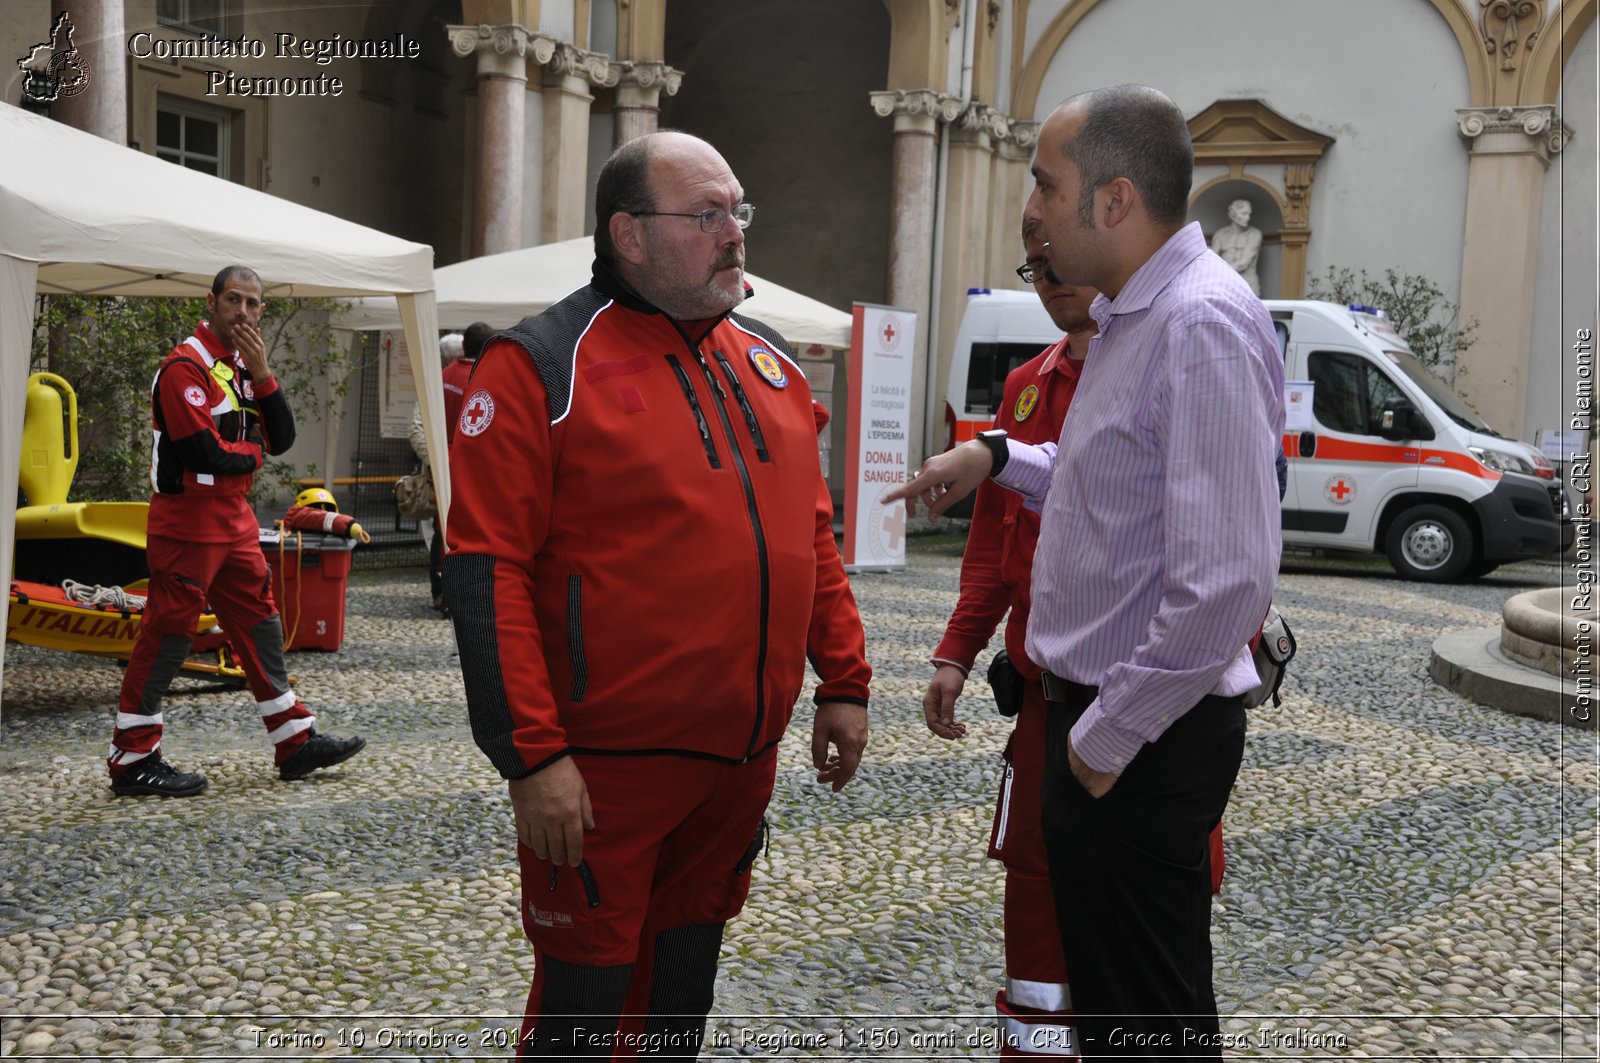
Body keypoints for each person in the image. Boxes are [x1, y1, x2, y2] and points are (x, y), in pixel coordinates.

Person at [442, 130, 873, 1059]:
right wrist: (531, 757)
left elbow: (809, 531)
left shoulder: (771, 360)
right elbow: (486, 573)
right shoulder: (539, 365)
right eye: (707, 214)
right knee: (581, 1019)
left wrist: (843, 678)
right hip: (602, 779)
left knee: (679, 1007)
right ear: (629, 234)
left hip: (737, 767)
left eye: (738, 211)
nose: (735, 233)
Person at [889, 85, 1284, 1060]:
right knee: (1115, 1011)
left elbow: (1227, 580)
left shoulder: (1197, 324)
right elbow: (1108, 483)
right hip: (1099, 719)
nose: (1030, 208)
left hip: (1136, 733)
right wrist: (997, 458)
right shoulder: (1135, 321)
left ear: (1112, 201)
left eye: (1043, 183)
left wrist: (1105, 737)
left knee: (1148, 1018)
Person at [923, 220, 1093, 1057]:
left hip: (1151, 704)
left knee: (1142, 906)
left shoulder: (1162, 370)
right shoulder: (1027, 386)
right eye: (1035, 267)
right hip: (1041, 700)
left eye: (1059, 262)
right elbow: (994, 543)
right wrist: (957, 651)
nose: (1049, 279)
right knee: (1033, 893)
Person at [108, 265, 367, 797]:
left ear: (261, 310)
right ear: (212, 302)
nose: (242, 311)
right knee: (168, 633)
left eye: (252, 303)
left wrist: (264, 371)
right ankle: (132, 757)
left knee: (260, 621)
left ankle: (294, 738)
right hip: (187, 525)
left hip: (234, 521)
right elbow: (205, 452)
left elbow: (284, 439)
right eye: (233, 300)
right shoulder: (184, 368)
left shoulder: (242, 368)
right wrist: (249, 456)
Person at [409, 333, 462, 611]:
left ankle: (440, 593)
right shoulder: (477, 377)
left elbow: (417, 429)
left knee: (440, 531)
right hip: (464, 470)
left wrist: (437, 462)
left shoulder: (436, 382)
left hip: (441, 469)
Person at [1209, 198, 1262, 295]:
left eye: (1249, 214)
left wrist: (1219, 271)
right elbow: (1213, 263)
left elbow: (1243, 263)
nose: (1247, 218)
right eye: (1244, 213)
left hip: (1248, 285)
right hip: (1224, 285)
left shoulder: (1254, 234)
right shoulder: (1220, 235)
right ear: (1233, 215)